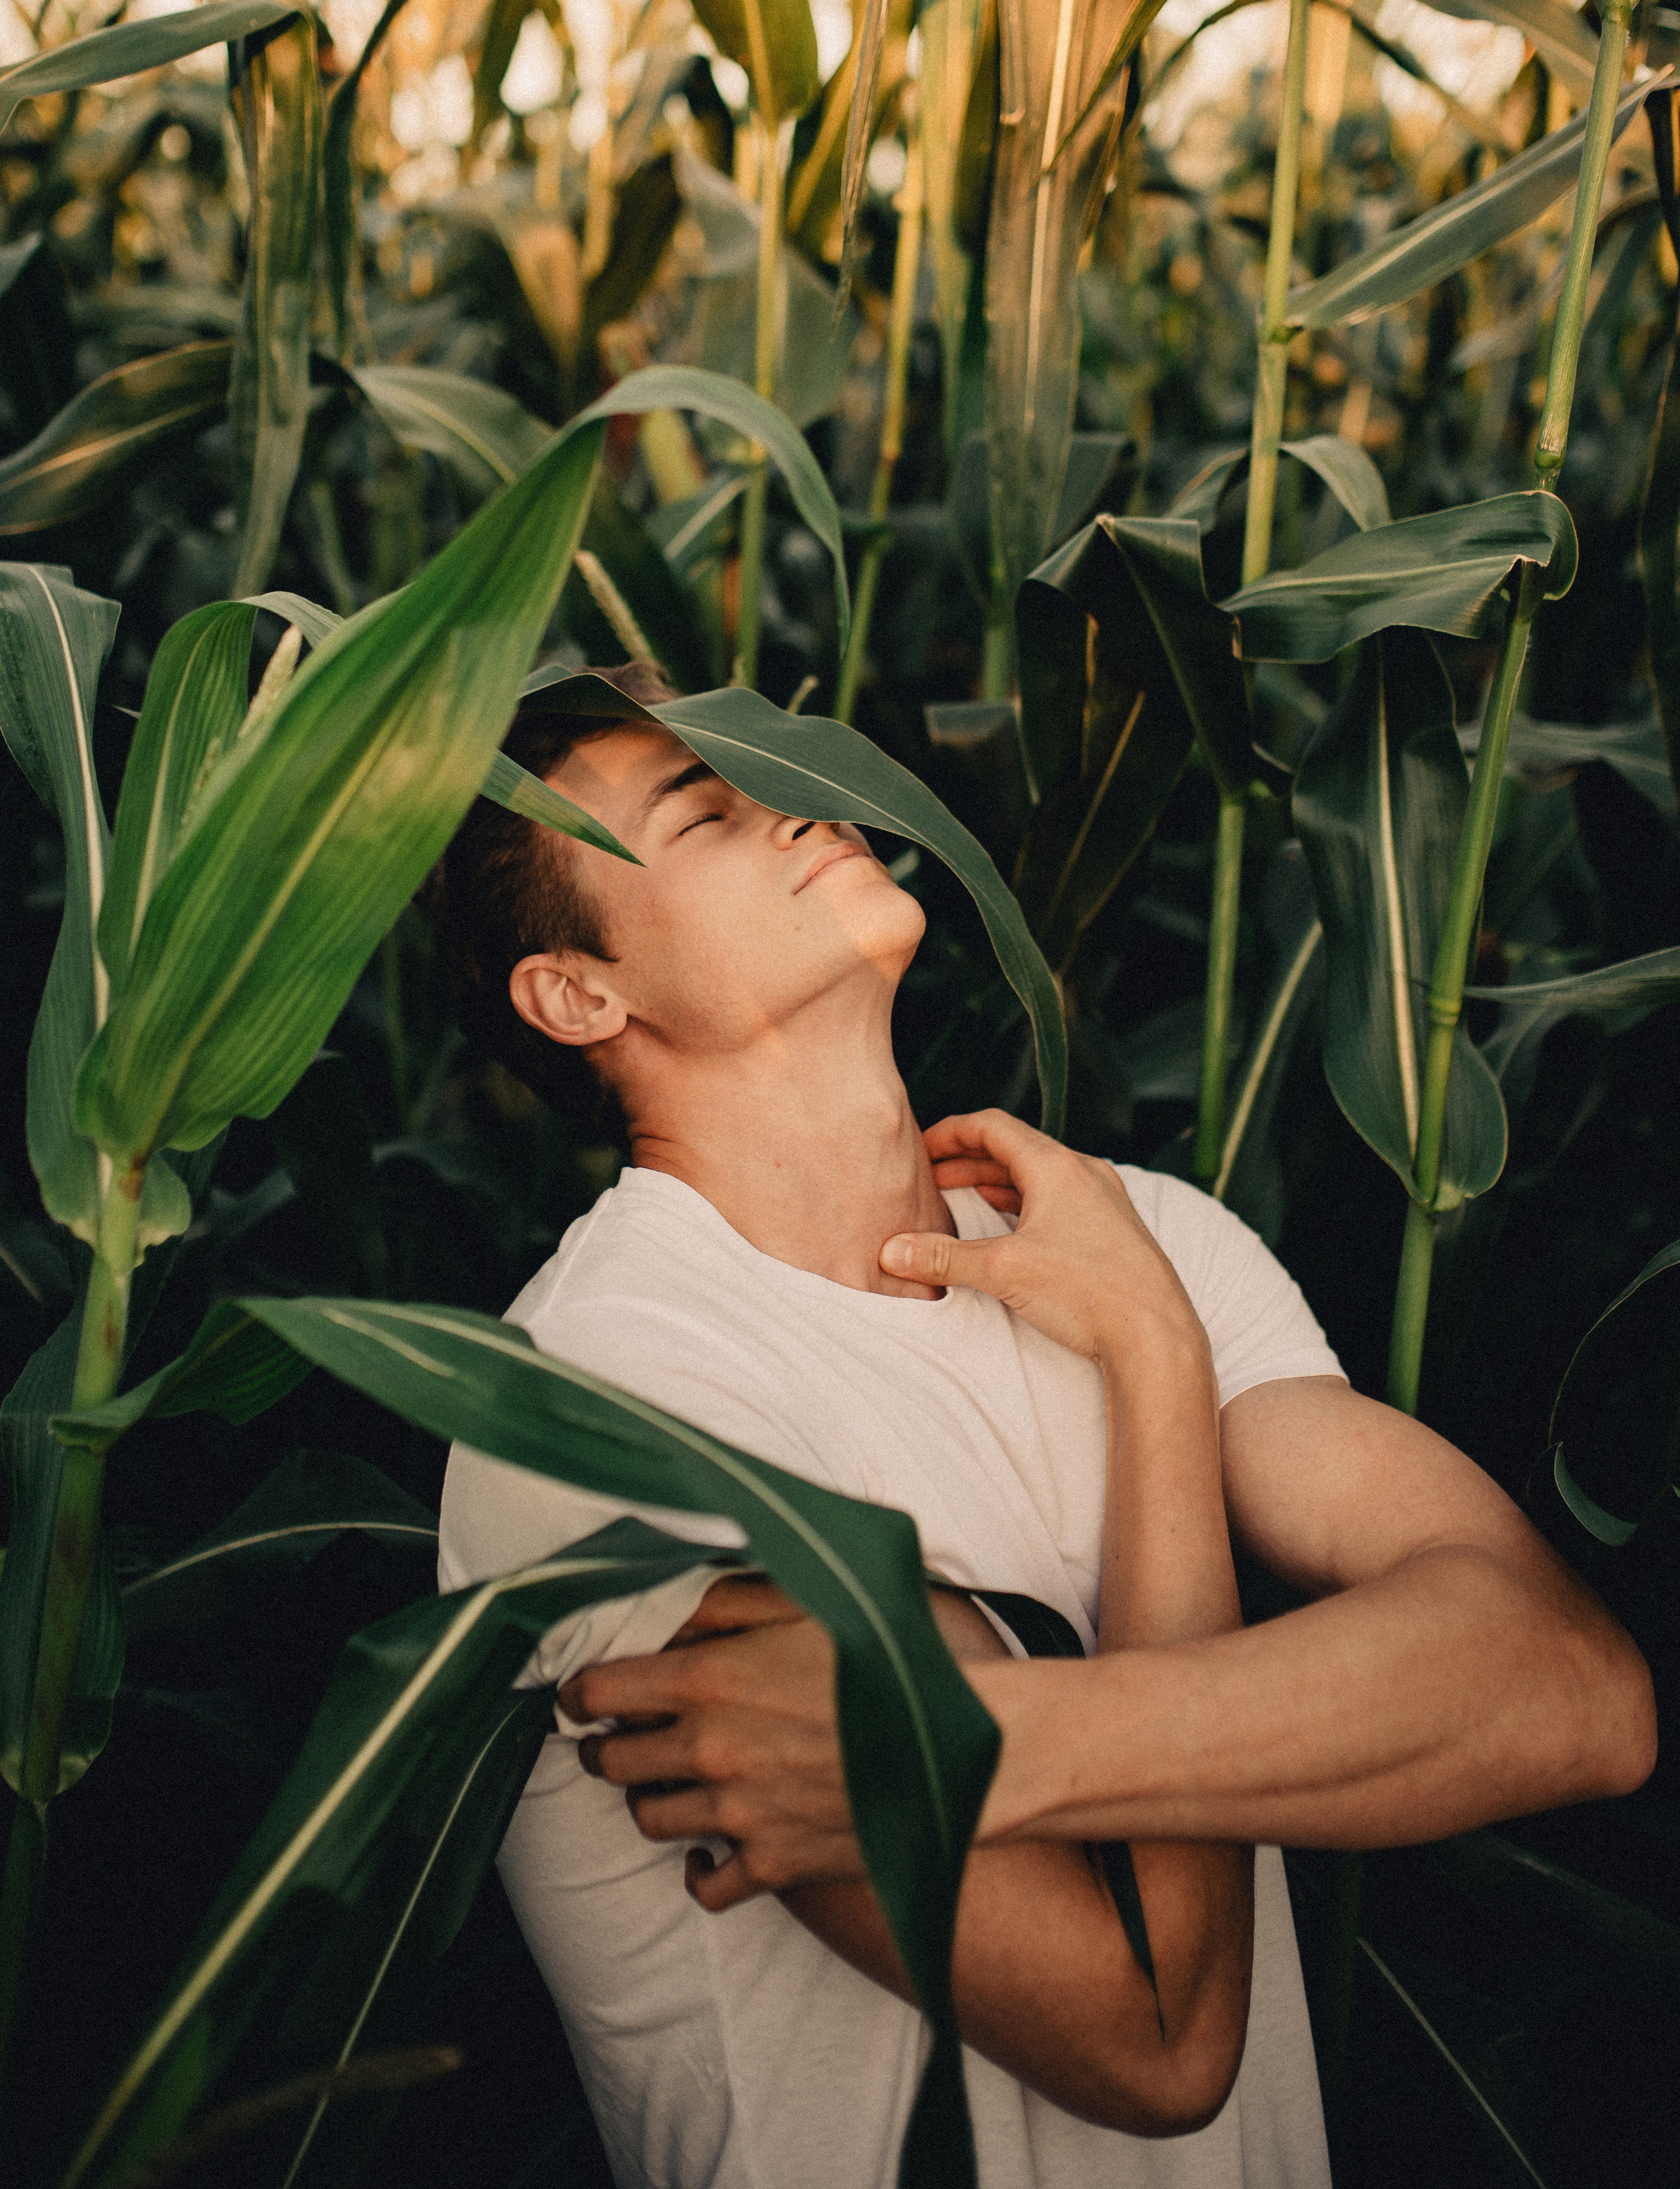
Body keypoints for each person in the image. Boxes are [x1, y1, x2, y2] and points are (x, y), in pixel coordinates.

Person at [434, 663, 1654, 2189]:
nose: (807, 806)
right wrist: (1161, 1379)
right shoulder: (611, 1399)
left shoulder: (1129, 1239)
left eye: (787, 766)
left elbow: (1575, 1695)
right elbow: (1153, 2033)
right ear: (576, 992)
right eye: (709, 811)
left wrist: (998, 1719)